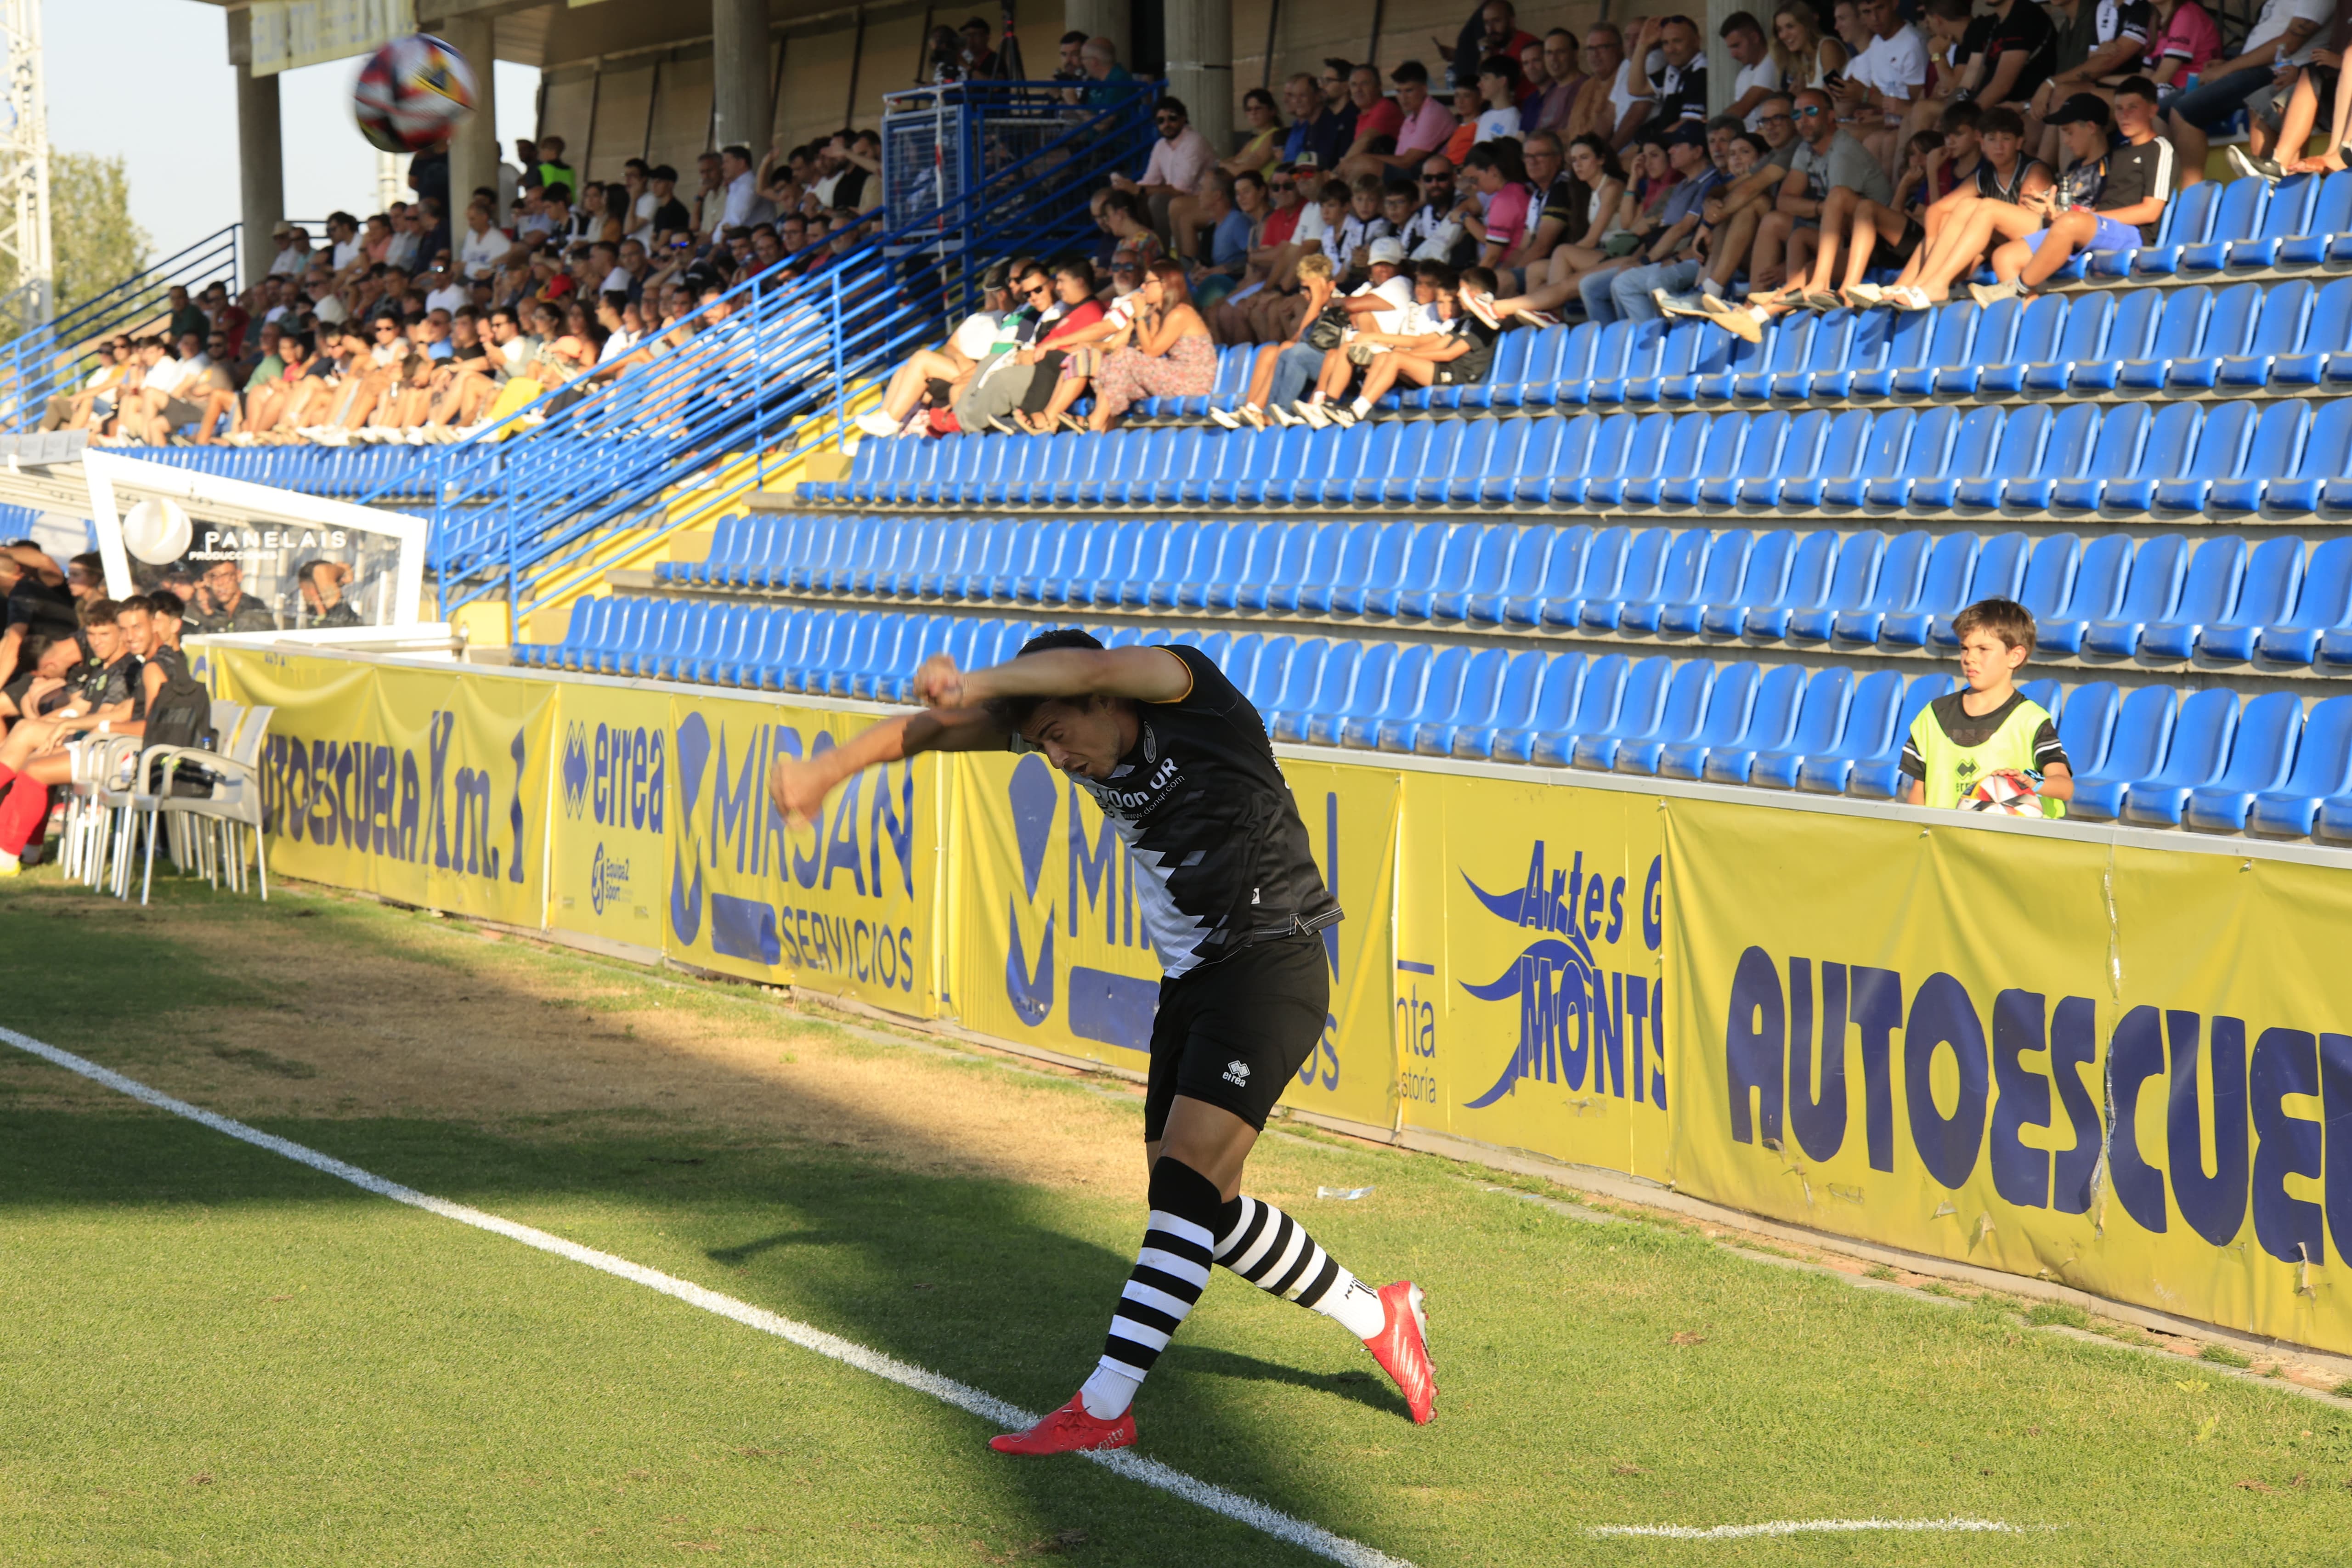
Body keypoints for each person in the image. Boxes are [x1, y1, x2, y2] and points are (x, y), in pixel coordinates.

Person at [765, 629, 1436, 1454]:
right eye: (1038, 742)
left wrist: (972, 678)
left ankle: (1105, 1402)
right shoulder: (1071, 722)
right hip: (1193, 982)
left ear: (1107, 701)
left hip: (1272, 960)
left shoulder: (1190, 690)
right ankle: (1379, 1312)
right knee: (1204, 1210)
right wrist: (825, 772)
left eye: (1059, 734)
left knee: (1185, 1189)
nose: (1055, 758)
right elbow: (929, 733)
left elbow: (1090, 666)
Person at [1971, 79, 2171, 306]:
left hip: (2132, 234)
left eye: (2132, 108)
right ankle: (2034, 329)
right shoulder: (2120, 153)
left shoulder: (2160, 148)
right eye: (2119, 109)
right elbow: (2102, 205)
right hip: (2094, 228)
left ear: (2153, 110)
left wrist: (2086, 219)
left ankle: (2016, 288)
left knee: (2072, 222)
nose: (2124, 115)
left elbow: (2151, 212)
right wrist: (2058, 214)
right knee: (2005, 256)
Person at [1900, 599, 2073, 818]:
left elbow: (2065, 788)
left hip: (2008, 848)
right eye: (1965, 648)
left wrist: (2032, 781)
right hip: (1945, 846)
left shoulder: (2030, 720)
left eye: (1983, 649)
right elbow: (1919, 792)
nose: (1969, 658)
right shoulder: (1933, 715)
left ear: (2015, 656)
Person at [2166, 0, 2332, 179]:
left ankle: (2191, 199)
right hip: (2251, 67)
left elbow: (2290, 42)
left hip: (2278, 70)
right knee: (2158, 110)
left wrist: (2226, 69)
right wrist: (2230, 64)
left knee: (2185, 110)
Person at [1087, 262, 1216, 431]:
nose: (1142, 287)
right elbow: (1149, 350)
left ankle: (1096, 422)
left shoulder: (1180, 313)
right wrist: (1147, 316)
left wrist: (1139, 316)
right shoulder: (1159, 313)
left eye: (1148, 283)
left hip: (1191, 380)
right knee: (1119, 379)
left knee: (1124, 357)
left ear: (1164, 285)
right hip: (1172, 374)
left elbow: (1151, 351)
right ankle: (1104, 432)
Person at [185, 560, 280, 634]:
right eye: (214, 577)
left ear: (239, 576)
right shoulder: (219, 611)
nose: (220, 583)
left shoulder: (252, 610)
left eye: (227, 576)